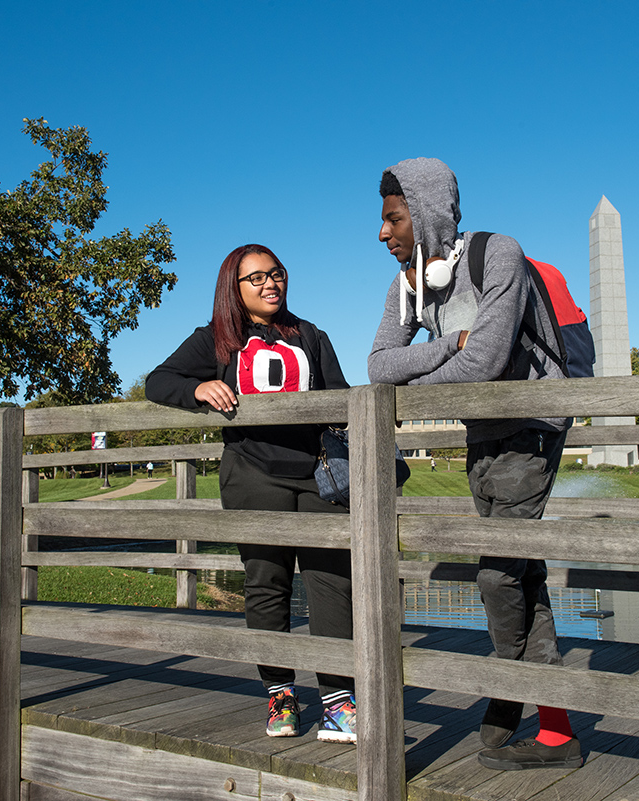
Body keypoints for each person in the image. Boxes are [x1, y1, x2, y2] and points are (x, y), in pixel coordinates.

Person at [367, 158, 583, 771]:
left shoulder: (499, 255)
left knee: (497, 574)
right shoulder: (409, 284)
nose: (383, 233)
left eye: (393, 218)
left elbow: (487, 362)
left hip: (532, 427)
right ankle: (557, 728)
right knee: (520, 573)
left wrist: (432, 375)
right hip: (482, 432)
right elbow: (379, 364)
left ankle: (508, 699)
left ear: (427, 211)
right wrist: (447, 346)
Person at [144, 244, 357, 743]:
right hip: (252, 474)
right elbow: (159, 380)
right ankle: (281, 695)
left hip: (316, 473)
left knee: (333, 583)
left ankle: (337, 701)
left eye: (276, 274)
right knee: (266, 584)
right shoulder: (217, 340)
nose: (270, 284)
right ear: (233, 289)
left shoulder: (311, 335)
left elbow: (341, 396)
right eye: (256, 278)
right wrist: (196, 391)